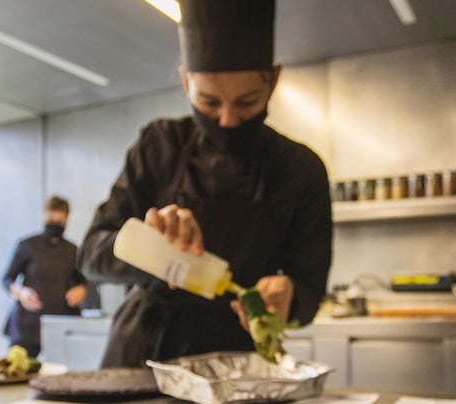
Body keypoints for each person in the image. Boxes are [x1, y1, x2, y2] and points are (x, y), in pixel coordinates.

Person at [78, 0, 332, 368]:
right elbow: (90, 255)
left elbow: (309, 291)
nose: (228, 121)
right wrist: (149, 244)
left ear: (273, 80)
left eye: (246, 102)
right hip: (143, 353)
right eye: (209, 102)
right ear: (185, 82)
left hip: (237, 363)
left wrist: (288, 297)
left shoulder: (301, 170)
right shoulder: (157, 146)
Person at [2, 195, 88, 357]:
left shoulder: (72, 250)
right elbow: (7, 279)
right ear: (45, 215)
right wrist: (21, 293)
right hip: (28, 324)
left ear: (66, 219)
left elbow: (84, 281)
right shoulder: (28, 245)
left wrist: (82, 289)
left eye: (59, 220)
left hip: (61, 322)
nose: (55, 223)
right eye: (51, 218)